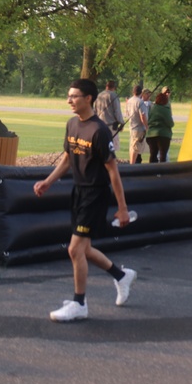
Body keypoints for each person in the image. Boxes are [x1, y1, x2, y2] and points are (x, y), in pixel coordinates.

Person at [34, 79, 137, 322]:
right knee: (85, 249)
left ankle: (79, 303)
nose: (69, 100)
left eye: (75, 96)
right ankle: (121, 276)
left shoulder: (99, 131)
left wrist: (123, 208)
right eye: (68, 96)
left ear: (88, 98)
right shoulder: (72, 125)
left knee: (74, 249)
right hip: (78, 192)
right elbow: (68, 160)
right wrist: (48, 181)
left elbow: (113, 171)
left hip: (95, 195)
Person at [94, 79, 122, 154]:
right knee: (111, 147)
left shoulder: (99, 95)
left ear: (106, 86)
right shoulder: (113, 95)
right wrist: (121, 123)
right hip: (111, 126)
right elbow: (117, 111)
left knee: (101, 146)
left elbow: (95, 110)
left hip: (99, 125)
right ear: (114, 87)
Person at [145, 91, 174, 163]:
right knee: (162, 156)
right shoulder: (165, 109)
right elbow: (170, 123)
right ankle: (161, 172)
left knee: (153, 155)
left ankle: (151, 171)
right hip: (163, 135)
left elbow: (148, 119)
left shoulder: (152, 108)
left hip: (151, 134)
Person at [126, 84, 148, 164]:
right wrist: (146, 127)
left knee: (132, 146)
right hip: (139, 128)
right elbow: (143, 116)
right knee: (135, 148)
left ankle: (133, 163)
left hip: (131, 127)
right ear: (141, 92)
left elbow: (127, 113)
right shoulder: (140, 102)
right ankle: (132, 165)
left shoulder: (129, 101)